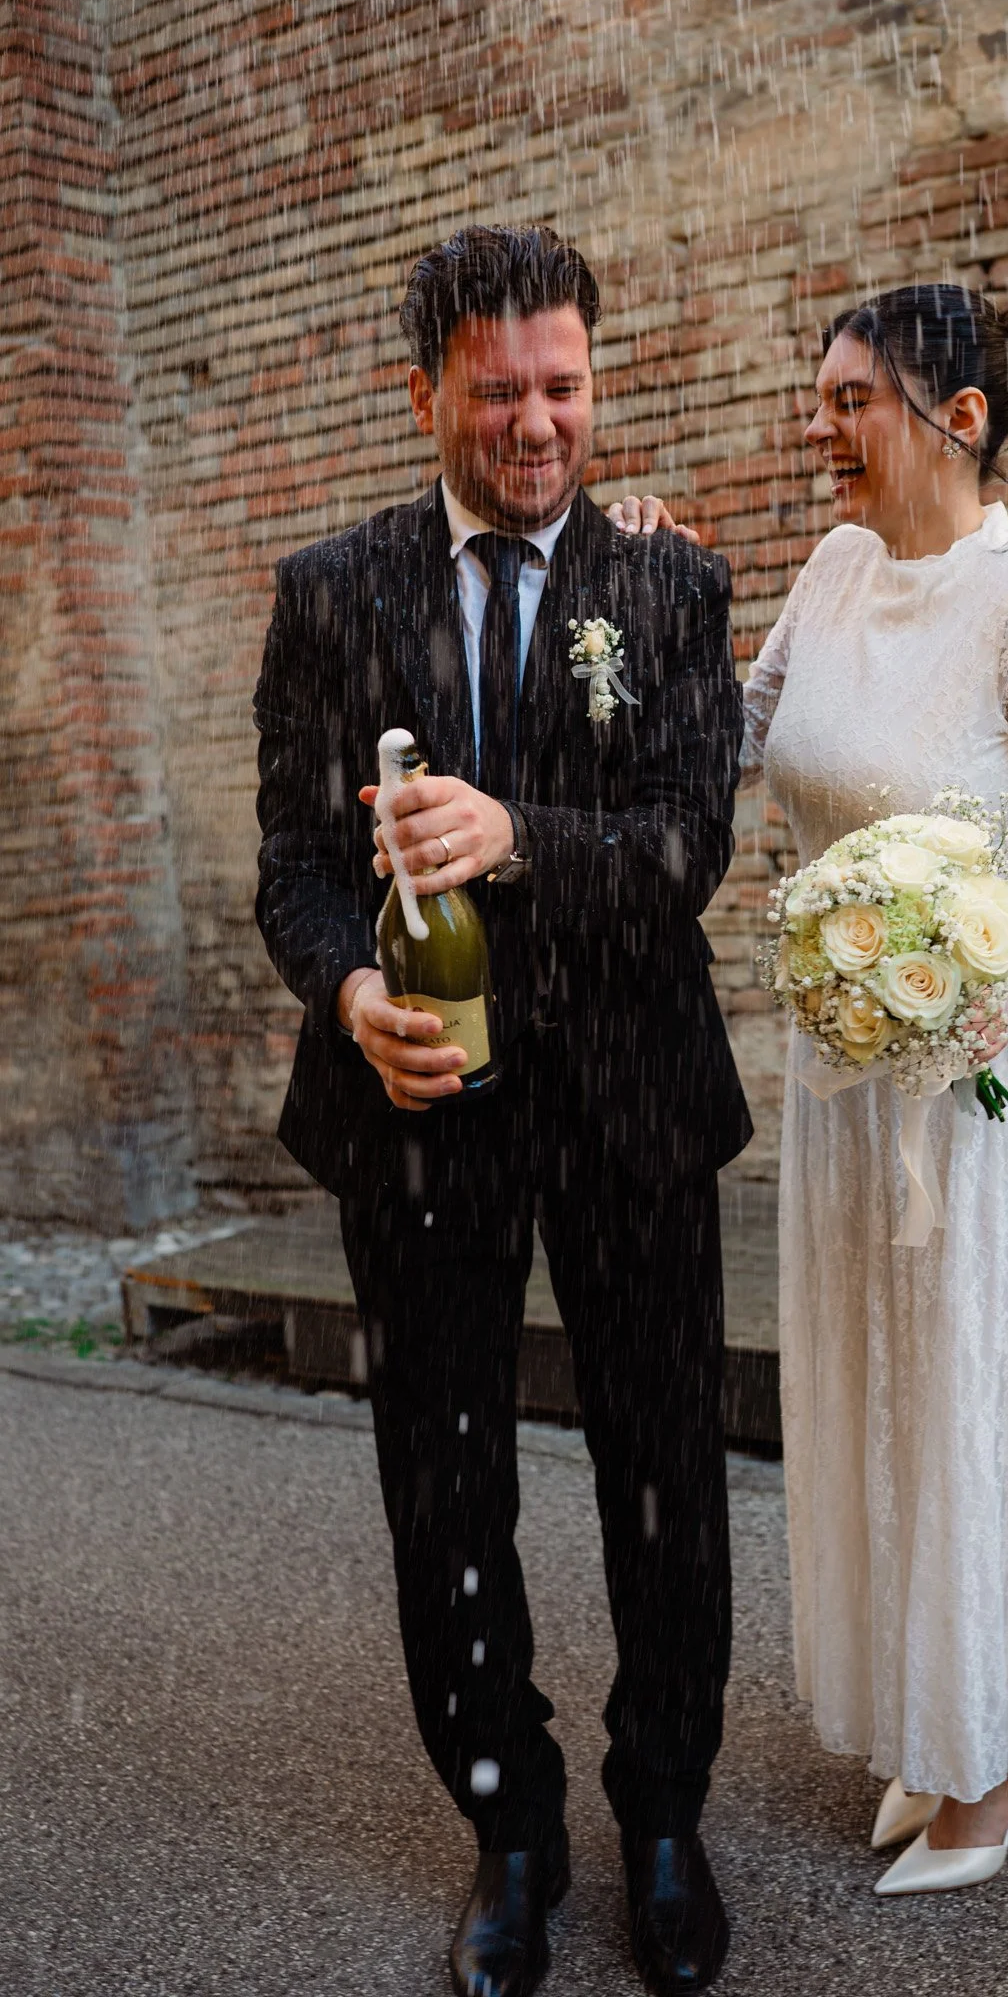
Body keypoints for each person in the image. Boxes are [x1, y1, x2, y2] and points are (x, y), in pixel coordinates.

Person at [254, 224, 750, 1997]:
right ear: (427, 394)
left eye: (563, 386)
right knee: (443, 1482)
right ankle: (509, 1824)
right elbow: (294, 869)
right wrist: (350, 989)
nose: (536, 424)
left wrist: (522, 835)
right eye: (496, 392)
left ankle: (666, 1812)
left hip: (630, 1097)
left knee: (666, 1478)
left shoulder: (675, 595)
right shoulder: (330, 591)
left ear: (591, 381)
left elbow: (692, 844)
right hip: (413, 1109)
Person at [740, 285, 1008, 1892]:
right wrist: (626, 592)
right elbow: (731, 735)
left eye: (850, 401)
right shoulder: (830, 574)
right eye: (819, 396)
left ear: (955, 419)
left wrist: (972, 992)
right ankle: (935, 1716)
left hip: (977, 1075)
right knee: (882, 1393)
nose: (819, 426)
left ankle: (1005, 1750)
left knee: (976, 1389)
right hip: (844, 1073)